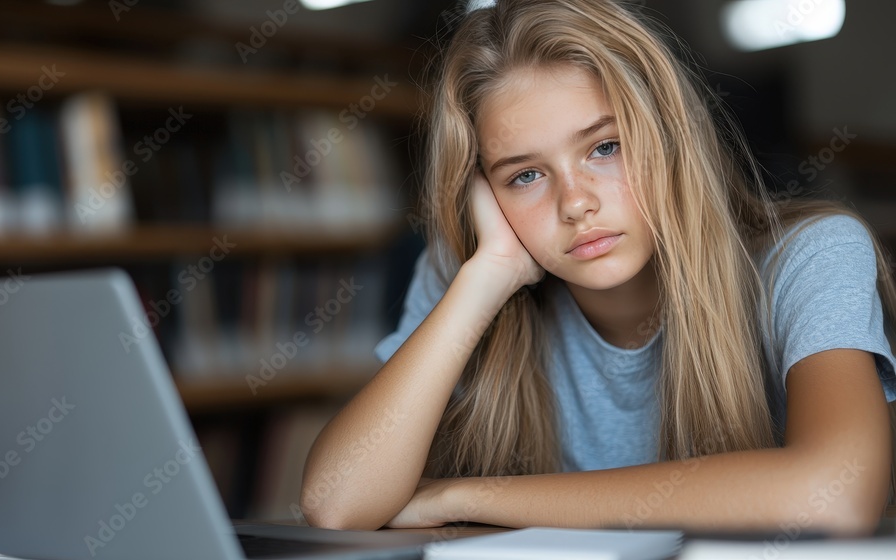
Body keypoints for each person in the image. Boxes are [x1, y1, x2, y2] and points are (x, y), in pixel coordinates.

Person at [300, 0, 896, 536]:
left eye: (605, 147)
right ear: (486, 193)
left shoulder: (810, 256)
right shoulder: (471, 269)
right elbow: (336, 503)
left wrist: (466, 496)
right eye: (525, 175)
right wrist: (487, 277)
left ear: (672, 139)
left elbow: (835, 494)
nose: (575, 203)